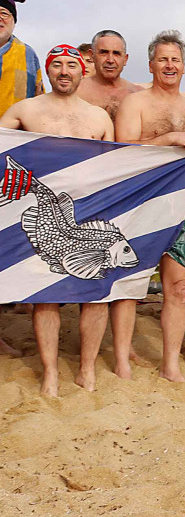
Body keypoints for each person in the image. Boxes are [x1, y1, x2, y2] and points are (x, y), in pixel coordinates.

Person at [0, 45, 114, 395]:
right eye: (57, 65)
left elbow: (117, 167)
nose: (64, 71)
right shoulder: (25, 110)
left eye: (71, 65)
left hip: (91, 209)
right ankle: (50, 370)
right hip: (44, 211)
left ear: (82, 71)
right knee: (45, 292)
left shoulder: (99, 117)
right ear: (48, 71)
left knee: (96, 292)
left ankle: (87, 368)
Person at [114, 30, 185, 383]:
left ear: (184, 67)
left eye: (175, 60)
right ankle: (122, 360)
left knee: (177, 287)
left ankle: (170, 363)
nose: (169, 65)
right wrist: (169, 139)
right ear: (151, 64)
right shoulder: (135, 103)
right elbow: (123, 151)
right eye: (162, 59)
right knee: (129, 283)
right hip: (140, 199)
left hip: (183, 201)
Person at [0, 0, 44, 121]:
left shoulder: (27, 54)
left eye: (4, 13)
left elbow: (39, 100)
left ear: (14, 20)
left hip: (14, 132)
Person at [76, 30, 143, 120]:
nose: (110, 60)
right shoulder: (76, 92)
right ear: (92, 56)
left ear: (125, 59)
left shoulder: (138, 94)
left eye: (116, 53)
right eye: (104, 52)